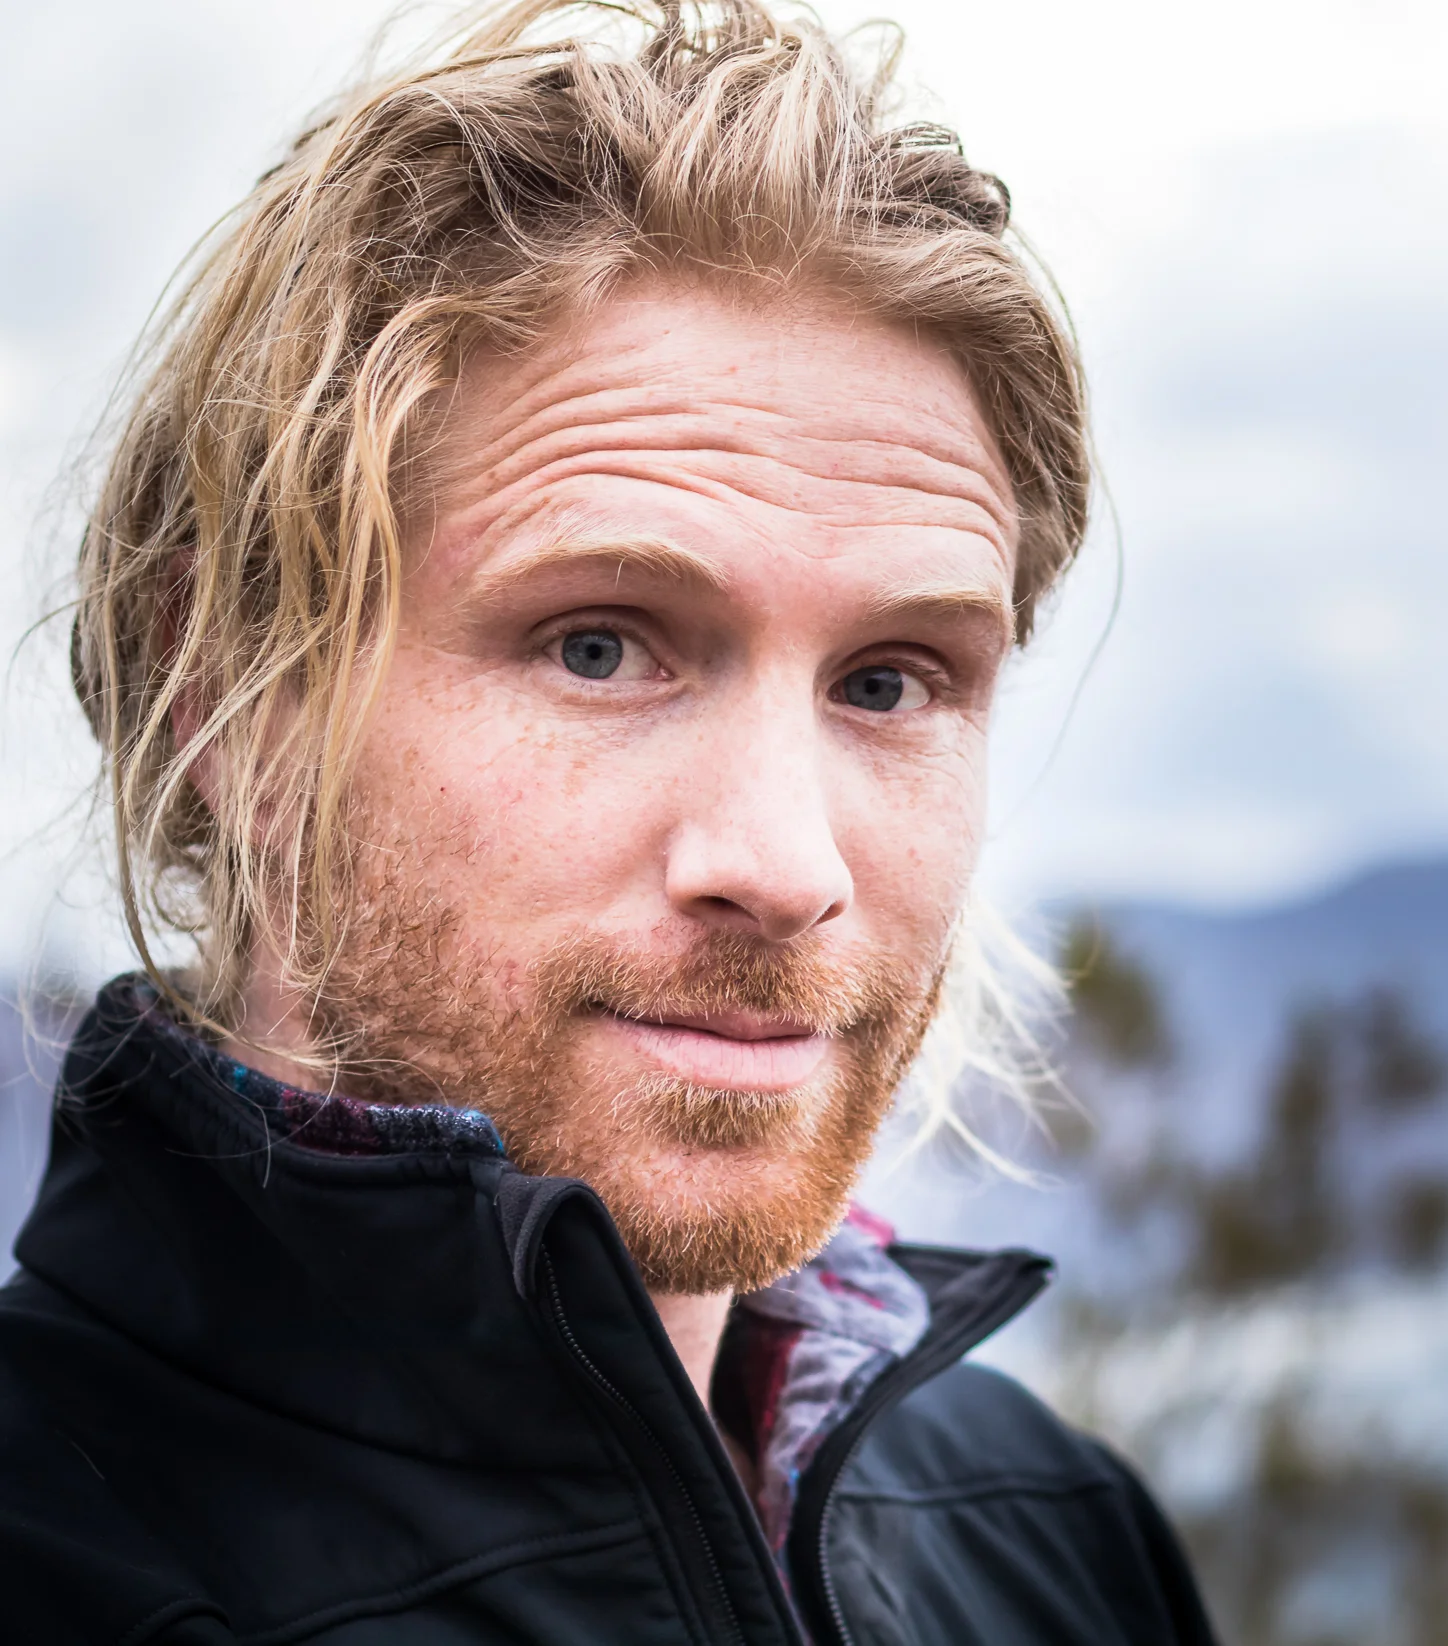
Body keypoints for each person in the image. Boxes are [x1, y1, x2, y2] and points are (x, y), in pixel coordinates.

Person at [0, 4, 1217, 1641]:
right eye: (600, 644)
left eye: (890, 679)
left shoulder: (1051, 1533)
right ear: (223, 698)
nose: (786, 867)